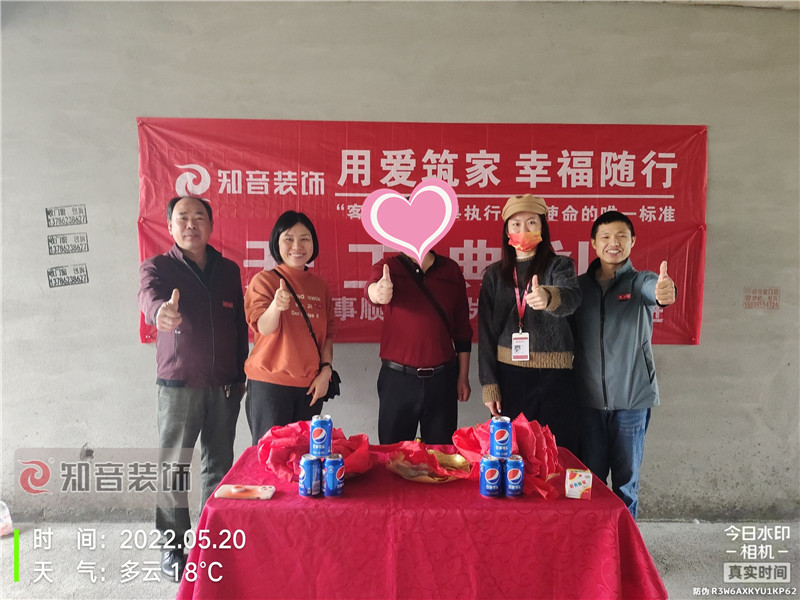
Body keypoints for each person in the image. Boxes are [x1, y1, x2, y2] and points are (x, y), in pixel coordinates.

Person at [138, 196, 248, 580]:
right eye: (182, 218)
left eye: (199, 217)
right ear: (169, 226)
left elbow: (239, 326)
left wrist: (240, 375)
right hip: (179, 385)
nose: (191, 224)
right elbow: (148, 297)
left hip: (225, 386)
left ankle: (212, 541)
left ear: (211, 226)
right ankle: (172, 548)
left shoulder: (229, 270)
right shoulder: (158, 268)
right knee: (174, 468)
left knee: (219, 466)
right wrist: (159, 312)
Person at [572, 210, 676, 519]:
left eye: (621, 236)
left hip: (632, 402)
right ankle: (590, 541)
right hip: (587, 403)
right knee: (586, 482)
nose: (613, 243)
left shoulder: (640, 281)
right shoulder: (579, 288)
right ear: (593, 243)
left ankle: (624, 543)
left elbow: (656, 290)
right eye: (605, 237)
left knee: (626, 484)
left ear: (633, 241)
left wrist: (665, 292)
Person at [478, 194, 581, 453]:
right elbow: (486, 333)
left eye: (532, 223)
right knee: (513, 452)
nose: (523, 230)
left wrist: (548, 297)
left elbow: (572, 298)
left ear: (543, 227)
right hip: (510, 377)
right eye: (516, 224)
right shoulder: (494, 275)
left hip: (556, 378)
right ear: (507, 231)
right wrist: (489, 385)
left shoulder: (560, 266)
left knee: (557, 452)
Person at [244, 211, 336, 445]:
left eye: (305, 238)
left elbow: (327, 336)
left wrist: (326, 372)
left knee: (305, 456)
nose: (297, 246)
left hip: (310, 388)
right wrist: (276, 307)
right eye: (289, 238)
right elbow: (262, 327)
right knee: (269, 457)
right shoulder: (264, 281)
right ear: (277, 243)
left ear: (313, 244)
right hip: (270, 386)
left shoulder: (320, 286)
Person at [365, 249, 472, 445]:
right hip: (398, 380)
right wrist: (378, 292)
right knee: (393, 454)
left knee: (441, 455)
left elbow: (463, 330)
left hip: (442, 381)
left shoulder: (450, 270)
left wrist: (463, 376)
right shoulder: (388, 266)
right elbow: (371, 289)